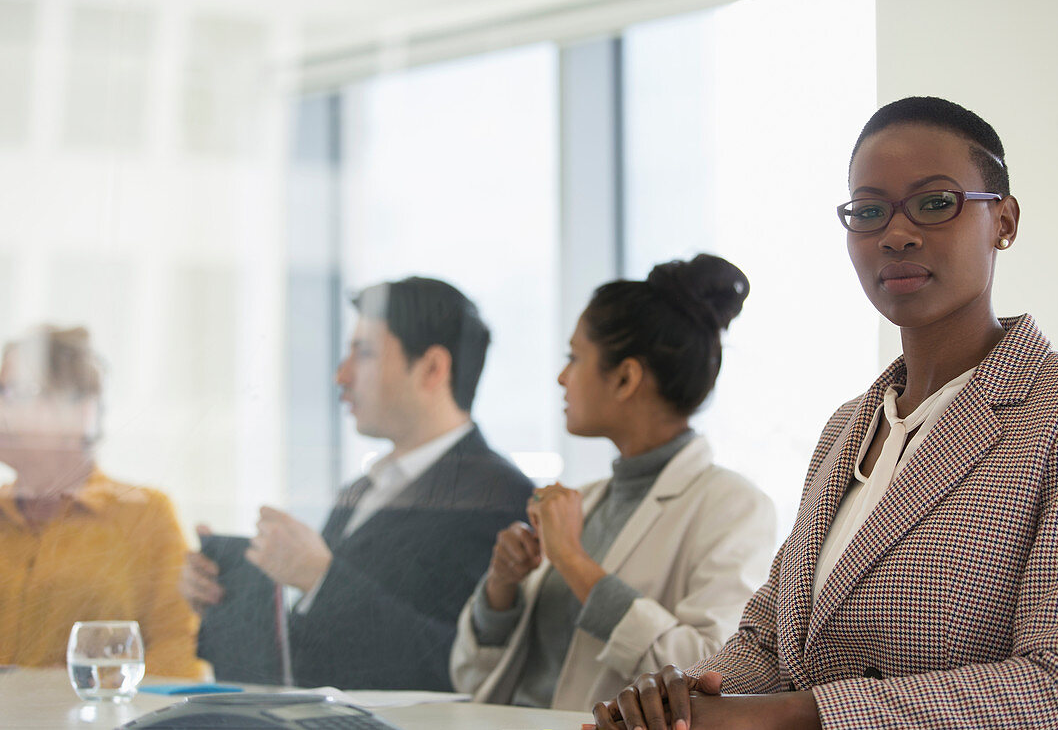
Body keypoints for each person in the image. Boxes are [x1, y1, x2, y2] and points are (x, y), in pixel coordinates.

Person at [593, 96, 1058, 730]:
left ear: (1004, 220)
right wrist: (687, 700)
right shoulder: (848, 426)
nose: (897, 232)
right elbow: (771, 644)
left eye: (935, 202)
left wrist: (796, 716)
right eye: (868, 210)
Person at [450, 254, 776, 711]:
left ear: (625, 377)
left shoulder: (734, 506)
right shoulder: (583, 500)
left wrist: (574, 562)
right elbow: (472, 673)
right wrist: (500, 592)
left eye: (574, 357)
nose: (561, 377)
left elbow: (710, 675)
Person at [180, 276, 532, 690]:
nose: (341, 376)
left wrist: (320, 578)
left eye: (363, 354)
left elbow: (461, 665)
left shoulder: (499, 497)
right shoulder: (361, 490)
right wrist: (226, 600)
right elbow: (317, 649)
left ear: (432, 369)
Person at [0, 326, 203, 678]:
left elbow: (179, 649)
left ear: (82, 409)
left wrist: (94, 692)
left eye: (17, 393)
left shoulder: (144, 514)